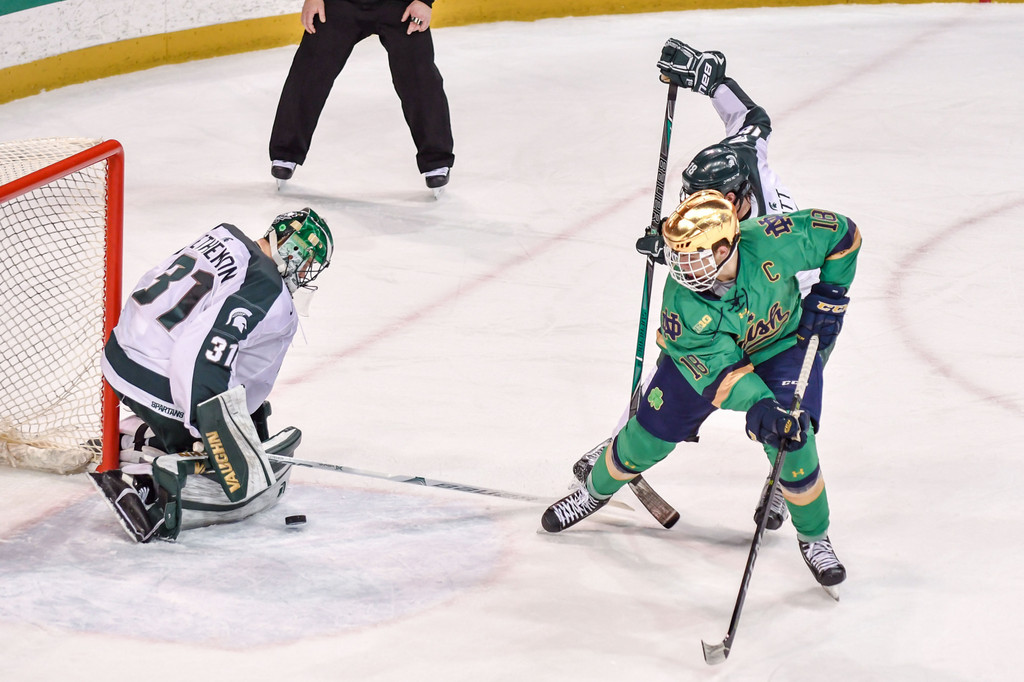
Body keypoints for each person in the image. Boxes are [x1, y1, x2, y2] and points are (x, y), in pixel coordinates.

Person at [543, 190, 861, 596]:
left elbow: (841, 233)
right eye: (677, 257)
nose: (680, 268)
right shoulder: (682, 305)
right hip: (704, 366)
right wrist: (760, 405)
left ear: (725, 249)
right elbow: (720, 375)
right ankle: (593, 493)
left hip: (780, 346)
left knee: (793, 437)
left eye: (691, 257)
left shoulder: (773, 241)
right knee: (645, 438)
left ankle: (814, 538)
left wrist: (831, 296)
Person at [620, 39, 819, 531]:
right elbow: (752, 118)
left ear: (733, 200)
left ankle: (783, 475)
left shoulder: (770, 233)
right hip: (728, 293)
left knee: (787, 405)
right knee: (680, 357)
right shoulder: (740, 159)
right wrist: (710, 81)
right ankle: (628, 440)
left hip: (782, 304)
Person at [90, 208, 334, 543]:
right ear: (294, 250)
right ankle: (142, 482)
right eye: (308, 263)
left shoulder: (226, 236)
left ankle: (135, 436)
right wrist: (215, 432)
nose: (305, 274)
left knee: (225, 407)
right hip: (154, 376)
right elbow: (201, 355)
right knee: (214, 459)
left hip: (120, 353)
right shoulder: (267, 287)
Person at [268, 0, 455, 194]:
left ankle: (436, 161)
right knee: (308, 72)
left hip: (401, 6)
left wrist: (424, 2)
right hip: (340, 4)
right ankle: (285, 154)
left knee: (419, 77)